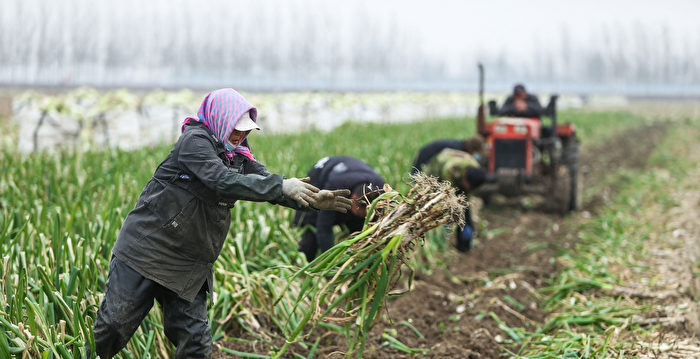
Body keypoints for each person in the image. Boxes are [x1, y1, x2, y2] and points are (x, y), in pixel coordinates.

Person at [89, 89, 352, 359]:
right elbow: (221, 180)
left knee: (196, 344)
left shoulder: (238, 154)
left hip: (189, 263)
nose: (239, 136)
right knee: (112, 328)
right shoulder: (194, 141)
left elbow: (262, 182)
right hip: (147, 249)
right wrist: (281, 186)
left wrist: (310, 199)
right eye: (235, 129)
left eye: (244, 131)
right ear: (220, 120)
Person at [294, 156, 385, 262]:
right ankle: (305, 266)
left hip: (353, 174)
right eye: (362, 213)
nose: (364, 216)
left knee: (361, 230)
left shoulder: (381, 189)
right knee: (310, 237)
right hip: (319, 179)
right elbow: (324, 228)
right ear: (354, 198)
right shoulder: (336, 188)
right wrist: (330, 265)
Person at [422, 148, 487, 252]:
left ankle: (464, 246)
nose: (469, 189)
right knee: (443, 208)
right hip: (435, 174)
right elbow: (447, 197)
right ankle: (440, 241)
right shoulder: (450, 170)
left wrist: (466, 220)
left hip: (457, 176)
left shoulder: (475, 170)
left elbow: (466, 200)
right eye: (469, 186)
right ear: (464, 177)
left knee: (465, 213)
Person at [411, 135, 485, 174]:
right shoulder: (457, 150)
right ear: (472, 149)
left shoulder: (459, 145)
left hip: (425, 153)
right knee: (416, 178)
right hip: (426, 157)